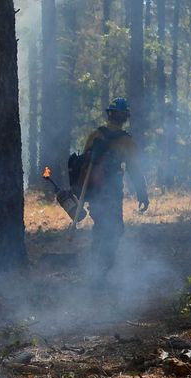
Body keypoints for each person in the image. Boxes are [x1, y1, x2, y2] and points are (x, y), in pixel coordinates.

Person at [76, 98, 149, 282]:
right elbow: (134, 170)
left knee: (101, 227)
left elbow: (83, 163)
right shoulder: (126, 142)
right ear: (125, 117)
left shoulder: (95, 135)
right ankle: (101, 271)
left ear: (109, 114)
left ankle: (97, 270)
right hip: (112, 193)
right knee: (114, 230)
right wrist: (142, 193)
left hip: (94, 192)